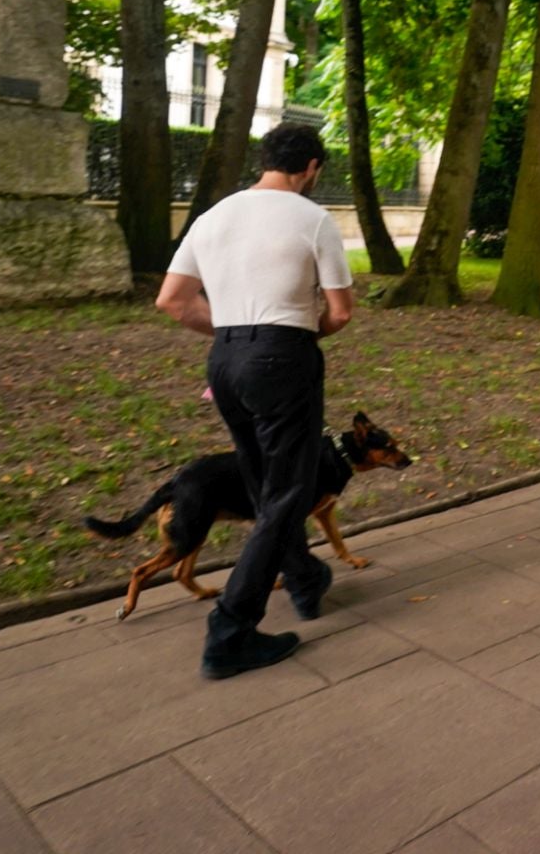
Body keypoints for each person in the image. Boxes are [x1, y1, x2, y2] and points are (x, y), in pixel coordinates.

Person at [156, 123, 357, 679]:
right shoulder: (313, 219)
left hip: (224, 360)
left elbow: (171, 301)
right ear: (311, 168)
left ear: (265, 160)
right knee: (289, 494)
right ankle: (230, 631)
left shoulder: (212, 217)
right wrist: (281, 339)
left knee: (265, 483)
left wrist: (237, 336)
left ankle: (305, 579)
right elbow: (339, 313)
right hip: (284, 358)